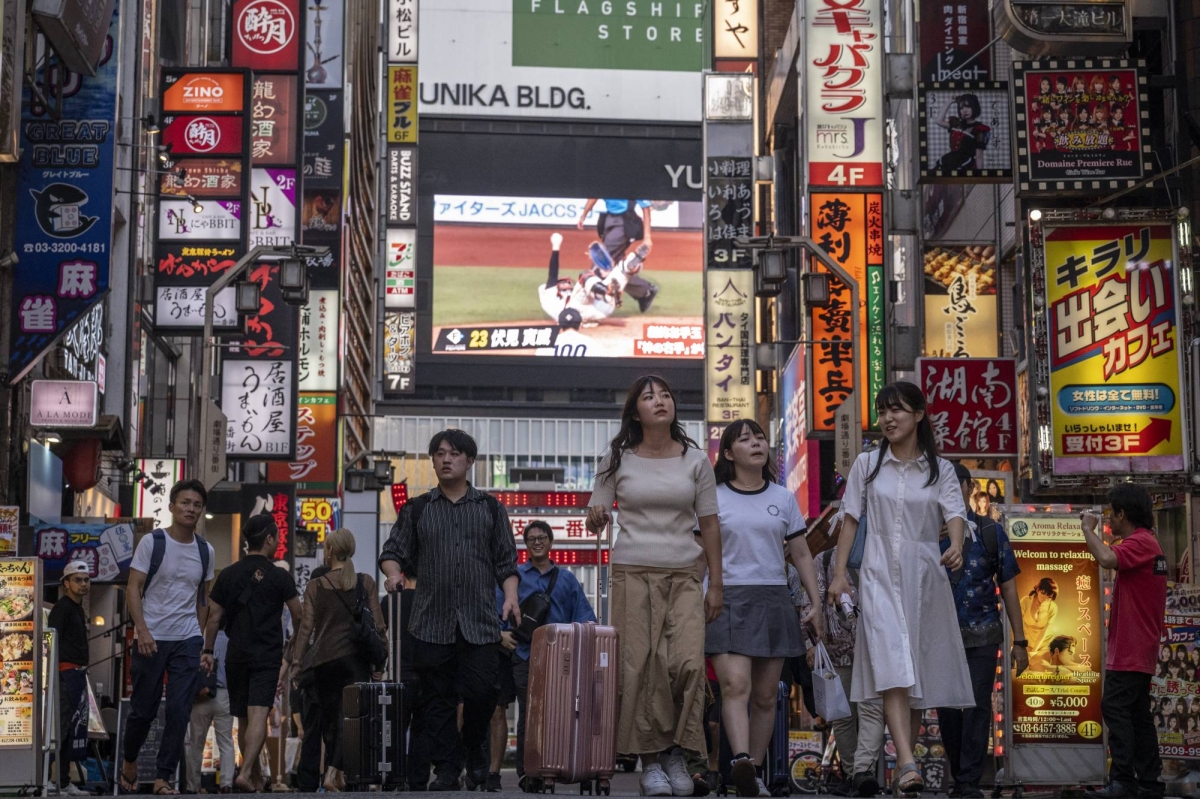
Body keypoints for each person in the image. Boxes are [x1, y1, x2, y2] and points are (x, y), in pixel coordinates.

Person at [827, 382, 973, 797]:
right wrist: (840, 575)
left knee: (915, 676)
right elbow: (850, 518)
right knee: (892, 666)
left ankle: (901, 771)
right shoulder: (867, 464)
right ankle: (908, 762)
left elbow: (955, 512)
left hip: (925, 574)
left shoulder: (939, 468)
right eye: (882, 411)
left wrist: (957, 546)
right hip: (875, 573)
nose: (888, 418)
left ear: (920, 415)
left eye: (897, 410)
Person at [586, 375, 722, 798]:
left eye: (665, 394)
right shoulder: (617, 456)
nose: (659, 401)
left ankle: (678, 752)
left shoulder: (696, 460)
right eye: (648, 397)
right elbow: (596, 505)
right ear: (636, 412)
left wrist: (716, 583)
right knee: (641, 669)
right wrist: (596, 515)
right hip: (632, 571)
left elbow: (711, 524)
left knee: (687, 666)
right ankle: (651, 764)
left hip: (684, 574)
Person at [378, 429, 520, 791]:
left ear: (469, 461)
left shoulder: (490, 508)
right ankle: (446, 768)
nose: (445, 459)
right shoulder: (418, 509)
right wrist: (393, 576)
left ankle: (473, 748)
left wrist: (510, 596)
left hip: (479, 622)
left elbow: (506, 563)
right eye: (439, 453)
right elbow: (393, 552)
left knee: (482, 693)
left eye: (454, 454)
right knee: (436, 702)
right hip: (430, 621)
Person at [703, 419, 822, 797]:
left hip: (773, 597)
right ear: (727, 453)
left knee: (767, 695)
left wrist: (815, 600)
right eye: (745, 439)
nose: (756, 443)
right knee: (735, 685)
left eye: (759, 437)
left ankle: (752, 771)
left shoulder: (783, 498)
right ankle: (740, 760)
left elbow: (800, 552)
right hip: (725, 597)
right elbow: (699, 555)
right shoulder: (713, 497)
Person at [936, 463, 1028, 799]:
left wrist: (1020, 641)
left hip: (983, 636)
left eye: (953, 485)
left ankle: (968, 782)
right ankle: (960, 775)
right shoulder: (929, 534)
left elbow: (1010, 589)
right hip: (939, 639)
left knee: (976, 707)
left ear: (967, 487)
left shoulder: (990, 532)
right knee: (947, 709)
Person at [121, 479, 215, 795]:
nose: (191, 509)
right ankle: (130, 758)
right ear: (172, 506)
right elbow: (133, 587)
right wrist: (142, 630)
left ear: (202, 510)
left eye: (197, 505)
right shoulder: (153, 542)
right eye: (185, 503)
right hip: (151, 635)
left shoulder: (206, 550)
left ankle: (163, 777)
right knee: (144, 710)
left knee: (179, 709)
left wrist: (200, 639)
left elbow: (204, 597)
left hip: (186, 638)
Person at [492, 520, 597, 792]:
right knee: (530, 713)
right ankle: (529, 772)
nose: (537, 542)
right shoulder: (514, 578)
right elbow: (495, 613)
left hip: (562, 661)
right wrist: (502, 635)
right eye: (531, 539)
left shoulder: (567, 579)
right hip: (525, 656)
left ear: (551, 542)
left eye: (542, 538)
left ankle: (557, 765)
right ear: (525, 545)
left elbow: (587, 619)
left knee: (561, 713)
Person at [201, 514, 301, 792]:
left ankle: (255, 775)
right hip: (266, 655)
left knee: (243, 718)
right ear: (268, 539)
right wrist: (292, 650)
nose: (279, 539)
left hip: (235, 655)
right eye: (277, 535)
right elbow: (299, 616)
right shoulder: (280, 576)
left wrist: (208, 650)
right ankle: (244, 773)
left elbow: (213, 617)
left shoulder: (229, 574)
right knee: (258, 715)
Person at [1079, 485, 1167, 799]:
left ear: (1123, 514)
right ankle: (1149, 781)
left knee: (1115, 707)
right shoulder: (1147, 542)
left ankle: (1123, 781)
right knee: (1137, 713)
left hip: (1131, 648)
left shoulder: (1140, 542)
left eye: (1110, 514)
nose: (1108, 522)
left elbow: (1105, 557)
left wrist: (1086, 530)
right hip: (1138, 646)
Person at [290, 528, 387, 792]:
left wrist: (297, 663)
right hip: (354, 662)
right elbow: (378, 626)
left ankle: (335, 775)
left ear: (330, 551)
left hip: (323, 663)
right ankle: (335, 774)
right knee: (351, 720)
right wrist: (380, 662)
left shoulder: (316, 585)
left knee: (331, 722)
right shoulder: (365, 582)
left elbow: (306, 629)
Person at [799, 543, 888, 798]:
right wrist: (811, 643)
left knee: (872, 709)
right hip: (836, 651)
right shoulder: (824, 559)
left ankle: (862, 772)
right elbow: (809, 601)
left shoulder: (879, 553)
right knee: (842, 717)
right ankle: (852, 776)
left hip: (874, 649)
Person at [538, 232, 655, 331]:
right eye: (564, 283)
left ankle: (630, 266)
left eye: (567, 283)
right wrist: (555, 248)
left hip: (599, 309)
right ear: (557, 286)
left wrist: (603, 272)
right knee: (585, 275)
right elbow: (552, 274)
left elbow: (591, 285)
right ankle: (608, 292)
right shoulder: (550, 297)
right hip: (577, 309)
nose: (567, 284)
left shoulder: (562, 298)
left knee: (617, 274)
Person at [285, 561, 331, 793]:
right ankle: (335, 776)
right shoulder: (336, 608)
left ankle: (307, 780)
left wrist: (290, 670)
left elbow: (295, 645)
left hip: (312, 676)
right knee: (335, 728)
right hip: (333, 673)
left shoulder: (308, 610)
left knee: (312, 729)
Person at [48, 561, 93, 797]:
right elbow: (51, 642)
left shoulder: (78, 608)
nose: (84, 584)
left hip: (76, 674)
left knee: (72, 729)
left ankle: (64, 782)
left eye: (86, 580)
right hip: (64, 675)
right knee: (62, 729)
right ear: (66, 583)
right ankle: (48, 780)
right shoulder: (62, 608)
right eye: (78, 579)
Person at [577, 198, 659, 310]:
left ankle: (587, 306)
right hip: (609, 219)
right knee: (614, 267)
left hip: (624, 223)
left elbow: (645, 207)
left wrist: (647, 237)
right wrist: (584, 215)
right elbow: (593, 196)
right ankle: (644, 291)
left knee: (602, 264)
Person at [187, 629, 234, 794]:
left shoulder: (198, 638)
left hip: (201, 696)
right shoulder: (231, 639)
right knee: (226, 742)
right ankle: (226, 783)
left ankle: (193, 785)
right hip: (224, 694)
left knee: (196, 743)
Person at [935, 94, 990, 171]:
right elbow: (938, 121)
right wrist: (949, 102)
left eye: (968, 107)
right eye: (961, 108)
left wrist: (980, 175)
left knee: (955, 182)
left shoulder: (980, 129)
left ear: (975, 107)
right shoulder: (956, 124)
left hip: (966, 164)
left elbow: (979, 155)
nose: (964, 110)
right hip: (949, 160)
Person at [1019, 578, 1059, 655]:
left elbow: (1045, 631)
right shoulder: (1025, 601)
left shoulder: (1053, 607)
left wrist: (1034, 651)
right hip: (1027, 642)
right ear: (1038, 590)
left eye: (1049, 597)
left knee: (1041, 664)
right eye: (1043, 594)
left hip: (1045, 644)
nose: (1045, 599)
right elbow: (1019, 626)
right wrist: (1023, 645)